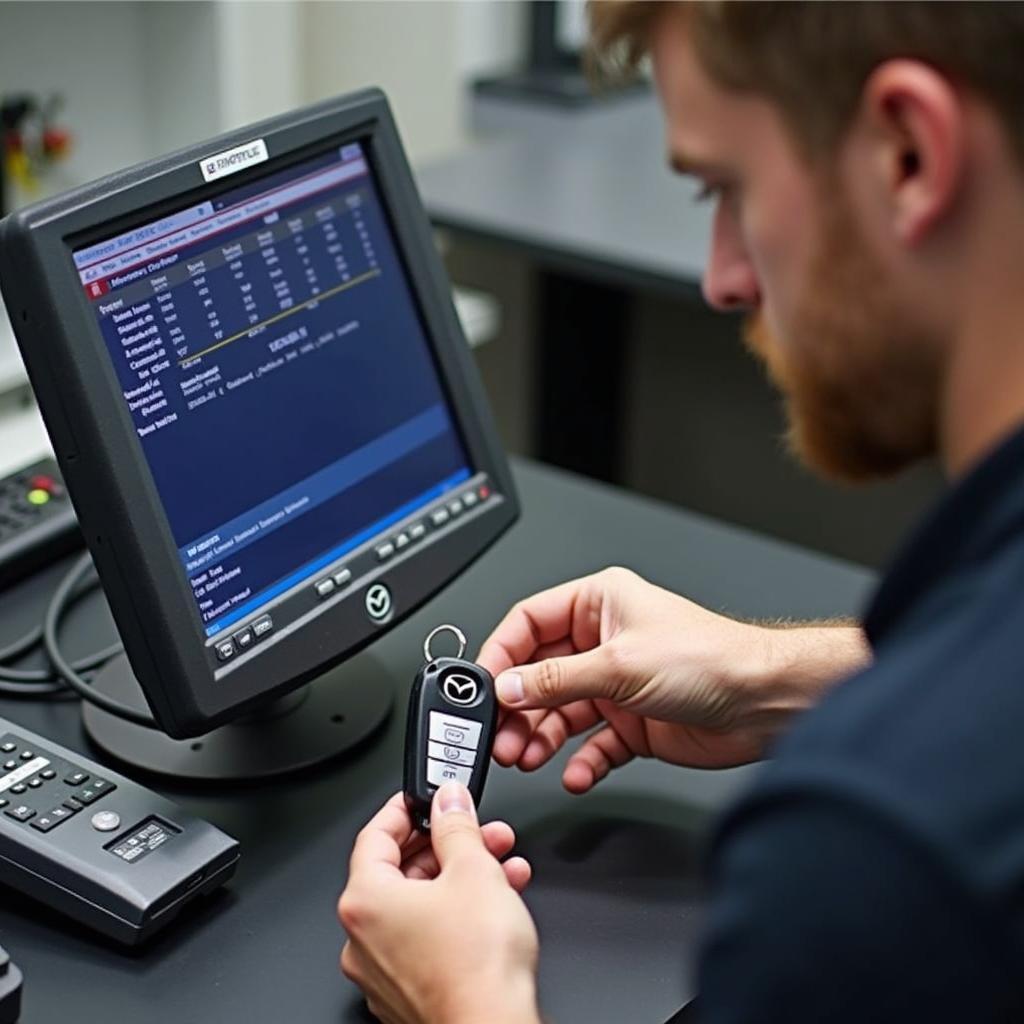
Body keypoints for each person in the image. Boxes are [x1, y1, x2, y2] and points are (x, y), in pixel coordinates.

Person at [337, 3, 1024, 1020]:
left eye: (727, 188)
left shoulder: (874, 864)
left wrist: (465, 1002)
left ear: (909, 154)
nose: (721, 277)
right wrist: (775, 677)